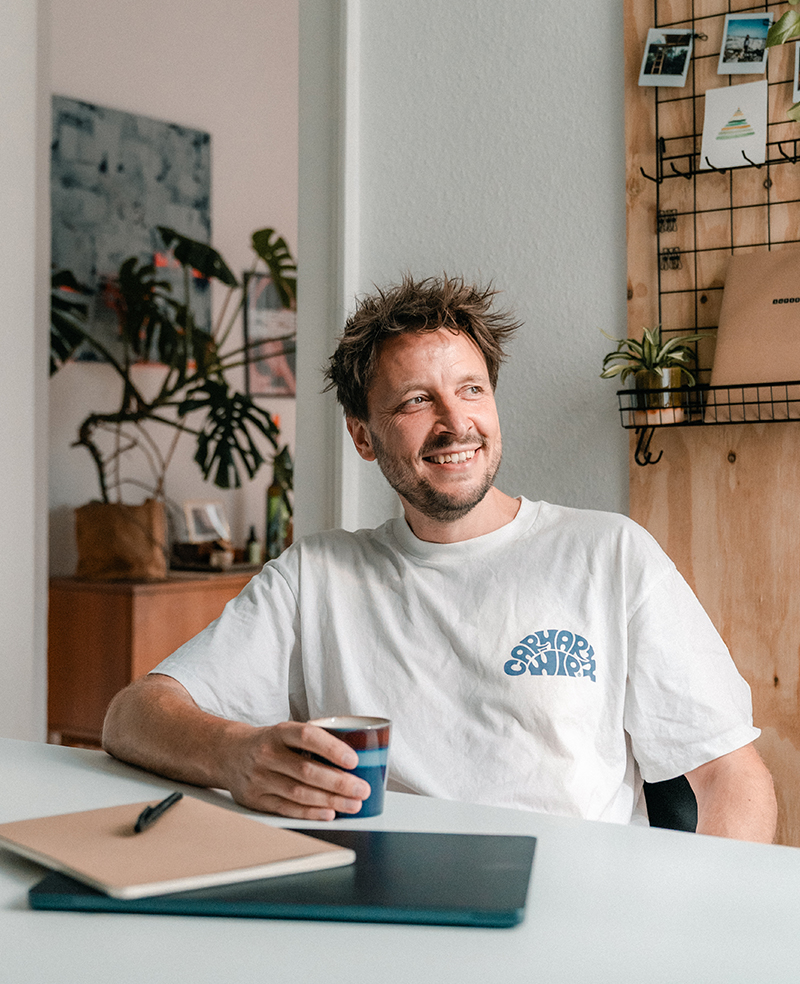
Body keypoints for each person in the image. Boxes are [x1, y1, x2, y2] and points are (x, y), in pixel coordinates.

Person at [103, 275, 777, 842]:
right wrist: (234, 755)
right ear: (363, 437)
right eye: (417, 400)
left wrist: (706, 934)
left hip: (573, 914)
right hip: (382, 906)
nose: (457, 424)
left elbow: (729, 776)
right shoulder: (316, 577)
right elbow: (132, 716)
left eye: (472, 389)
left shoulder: (609, 554)